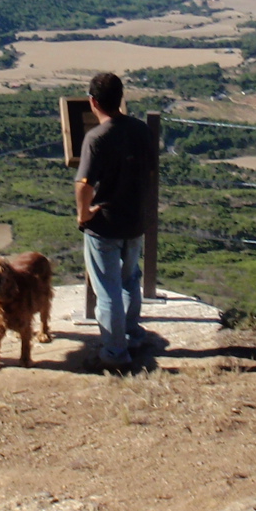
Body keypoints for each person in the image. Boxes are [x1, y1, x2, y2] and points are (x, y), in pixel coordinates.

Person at [74, 71, 155, 370]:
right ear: (120, 98)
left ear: (93, 101)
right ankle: (132, 335)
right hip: (135, 219)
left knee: (107, 291)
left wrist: (84, 214)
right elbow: (149, 170)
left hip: (105, 225)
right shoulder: (141, 129)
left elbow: (84, 184)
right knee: (130, 279)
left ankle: (114, 353)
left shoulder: (96, 137)